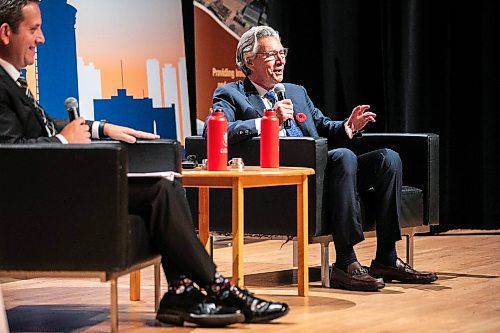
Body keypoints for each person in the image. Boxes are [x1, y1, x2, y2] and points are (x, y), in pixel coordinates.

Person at [0, 1, 288, 327]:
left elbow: (42, 124)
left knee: (166, 182)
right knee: (159, 192)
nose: (41, 39)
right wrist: (64, 141)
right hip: (40, 204)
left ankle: (182, 293)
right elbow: (9, 153)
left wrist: (100, 128)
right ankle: (221, 290)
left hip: (62, 190)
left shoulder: (10, 81)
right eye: (34, 30)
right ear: (6, 33)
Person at [206, 25, 438, 292]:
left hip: (329, 170)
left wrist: (346, 126)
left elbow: (322, 124)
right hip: (289, 177)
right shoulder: (231, 94)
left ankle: (386, 256)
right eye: (271, 55)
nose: (281, 60)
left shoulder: (295, 92)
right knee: (343, 157)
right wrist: (268, 120)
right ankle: (346, 262)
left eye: (282, 52)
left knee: (389, 158)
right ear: (250, 61)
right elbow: (217, 130)